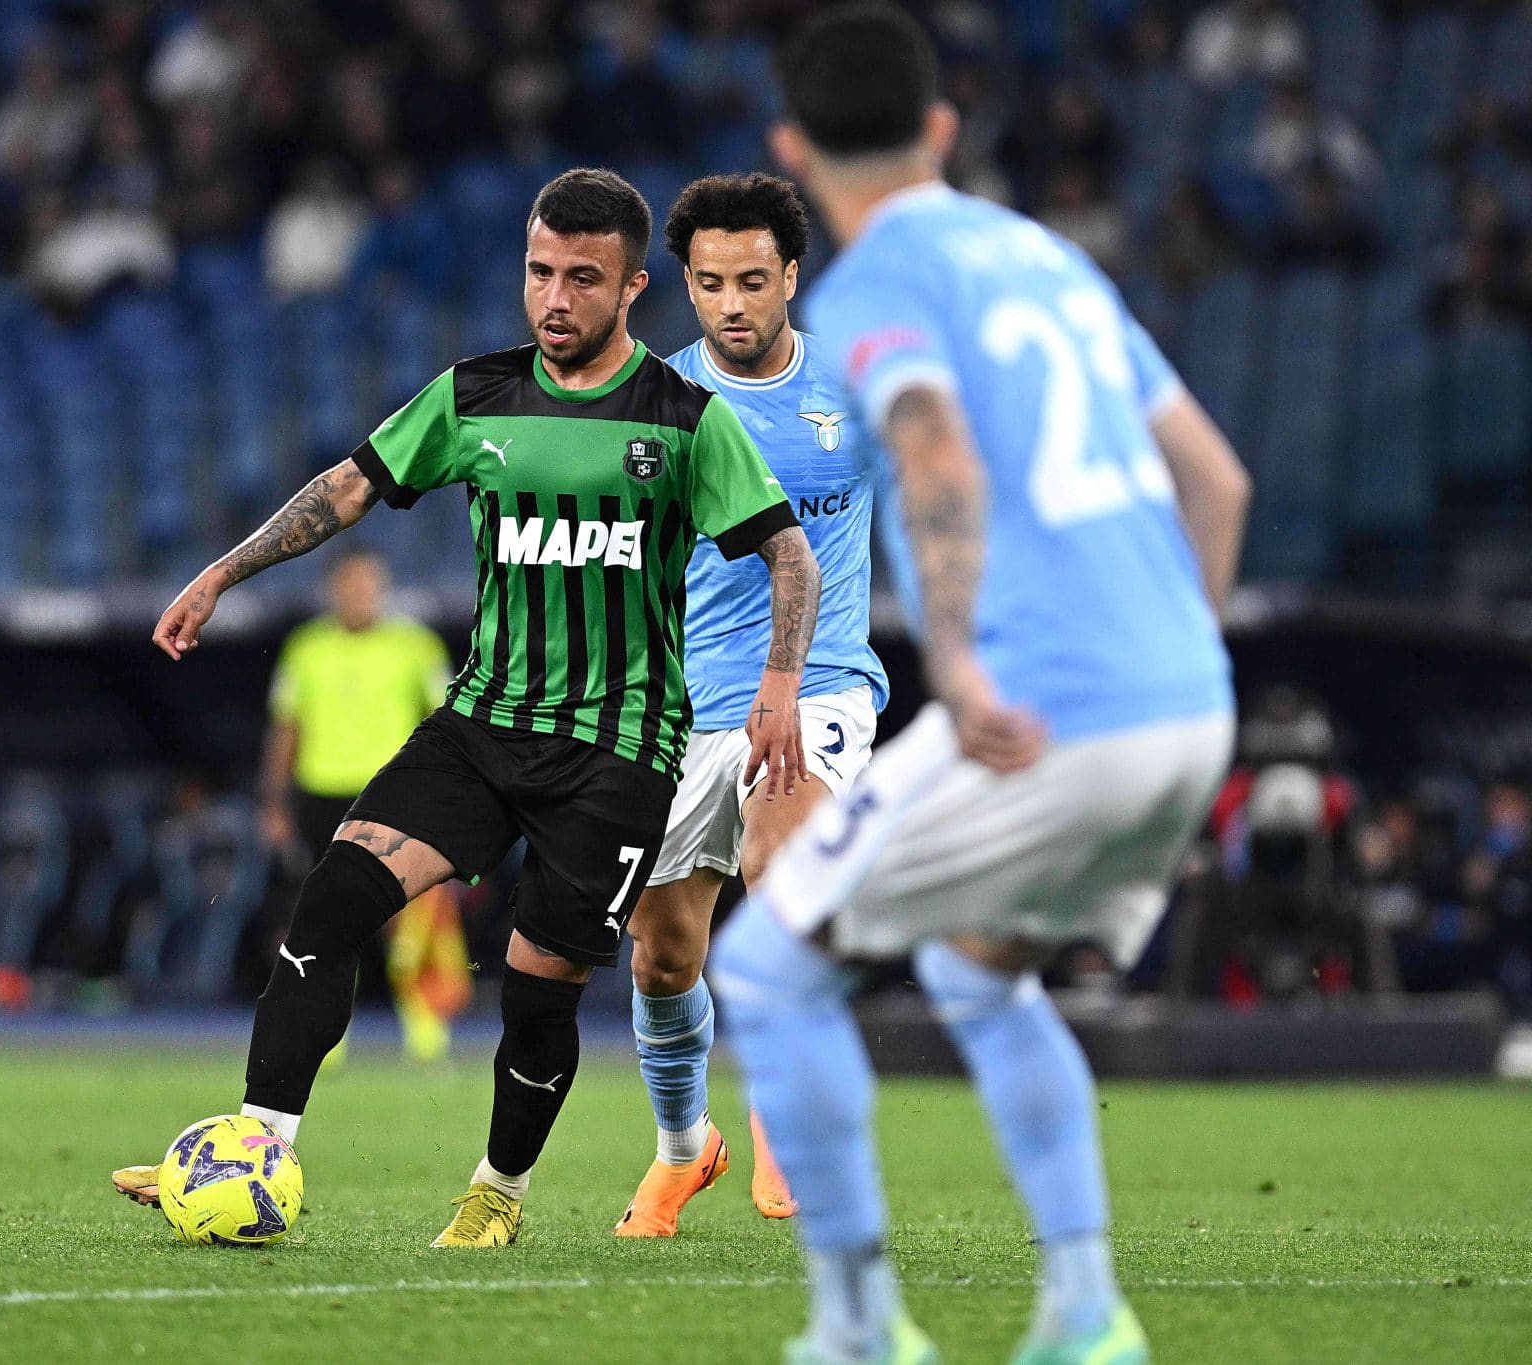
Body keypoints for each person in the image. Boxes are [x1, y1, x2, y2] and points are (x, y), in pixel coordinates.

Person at [114, 168, 817, 1248]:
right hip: (483, 725)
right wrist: (225, 572)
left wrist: (776, 686)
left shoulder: (684, 422)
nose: (553, 298)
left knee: (537, 987)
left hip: (616, 753)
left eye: (582, 278)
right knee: (330, 905)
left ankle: (497, 1192)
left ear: (632, 287)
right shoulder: (473, 394)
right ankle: (257, 1148)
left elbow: (785, 554)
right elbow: (348, 487)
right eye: (539, 272)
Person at [709, 7, 1252, 1363]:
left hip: (1051, 708)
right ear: (942, 127)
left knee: (768, 972)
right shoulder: (1054, 260)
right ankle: (1082, 1311)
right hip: (1191, 699)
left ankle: (856, 1330)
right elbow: (1217, 479)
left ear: (792, 146)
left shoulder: (876, 284)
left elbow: (935, 447)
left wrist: (952, 664)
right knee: (976, 968)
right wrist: (1182, 650)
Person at [614, 172, 889, 1237]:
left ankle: (785, 1117)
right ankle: (685, 1152)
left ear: (790, 277)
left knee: (783, 877)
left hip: (817, 686)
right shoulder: (654, 405)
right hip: (684, 710)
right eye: (708, 284)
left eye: (752, 281)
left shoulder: (854, 395)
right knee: (663, 954)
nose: (730, 304)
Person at [259, 547, 470, 1062]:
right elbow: (286, 729)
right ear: (334, 589)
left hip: (392, 796)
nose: (359, 595)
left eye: (369, 585)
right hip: (322, 795)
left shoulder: (415, 646)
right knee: (325, 920)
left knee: (412, 914)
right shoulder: (306, 648)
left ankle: (425, 1025)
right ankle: (327, 1035)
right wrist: (275, 804)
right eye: (350, 585)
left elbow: (449, 721)